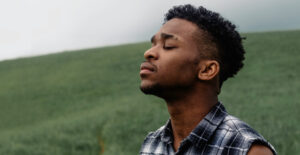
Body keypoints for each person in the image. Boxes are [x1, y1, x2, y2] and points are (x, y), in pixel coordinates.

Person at [139, 4, 276, 155]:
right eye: (153, 44)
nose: (149, 53)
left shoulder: (246, 149)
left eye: (168, 45)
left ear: (207, 70)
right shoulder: (151, 144)